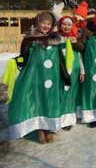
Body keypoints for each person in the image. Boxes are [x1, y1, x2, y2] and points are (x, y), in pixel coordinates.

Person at [8, 11, 70, 144]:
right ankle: (40, 130)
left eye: (48, 23)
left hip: (52, 78)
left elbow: (60, 60)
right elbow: (24, 57)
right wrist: (15, 61)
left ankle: (48, 128)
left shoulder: (56, 39)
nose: (46, 26)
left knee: (49, 101)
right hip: (35, 77)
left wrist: (65, 75)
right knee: (37, 101)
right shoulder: (30, 39)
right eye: (43, 23)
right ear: (37, 23)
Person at [57, 14, 85, 131]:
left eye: (69, 24)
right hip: (61, 70)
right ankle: (61, 118)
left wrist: (82, 71)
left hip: (75, 70)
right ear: (60, 25)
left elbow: (79, 56)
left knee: (72, 95)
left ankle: (69, 119)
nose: (66, 27)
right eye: (64, 24)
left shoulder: (74, 38)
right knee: (62, 94)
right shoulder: (57, 38)